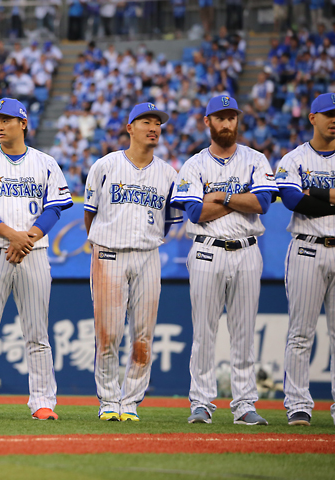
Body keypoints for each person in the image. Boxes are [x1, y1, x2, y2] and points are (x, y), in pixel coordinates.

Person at [0, 98, 73, 420]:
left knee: (37, 333)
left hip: (33, 254)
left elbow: (54, 208)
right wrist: (14, 236)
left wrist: (28, 238)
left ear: (23, 123)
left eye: (6, 119)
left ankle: (42, 402)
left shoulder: (45, 162)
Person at [170, 95, 278, 425]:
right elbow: (195, 211)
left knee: (243, 332)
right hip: (206, 250)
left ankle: (245, 404)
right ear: (208, 122)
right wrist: (238, 199)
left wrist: (223, 196)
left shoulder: (255, 159)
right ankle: (201, 402)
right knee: (204, 332)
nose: (227, 123)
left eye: (232, 117)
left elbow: (262, 203)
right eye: (220, 117)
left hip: (247, 250)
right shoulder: (194, 164)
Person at [83, 103, 182, 422]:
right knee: (108, 333)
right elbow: (90, 214)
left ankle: (131, 402)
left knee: (143, 335)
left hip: (148, 256)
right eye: (146, 122)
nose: (153, 127)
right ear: (130, 128)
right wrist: (102, 242)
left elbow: (169, 221)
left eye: (157, 122)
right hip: (109, 253)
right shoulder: (105, 165)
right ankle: (109, 401)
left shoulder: (168, 173)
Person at [275, 93, 335, 427]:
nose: (334, 119)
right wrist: (321, 197)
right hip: (307, 248)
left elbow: (309, 196)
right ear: (312, 118)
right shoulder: (293, 159)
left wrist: (318, 192)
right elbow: (295, 201)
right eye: (328, 113)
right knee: (301, 332)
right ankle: (298, 403)